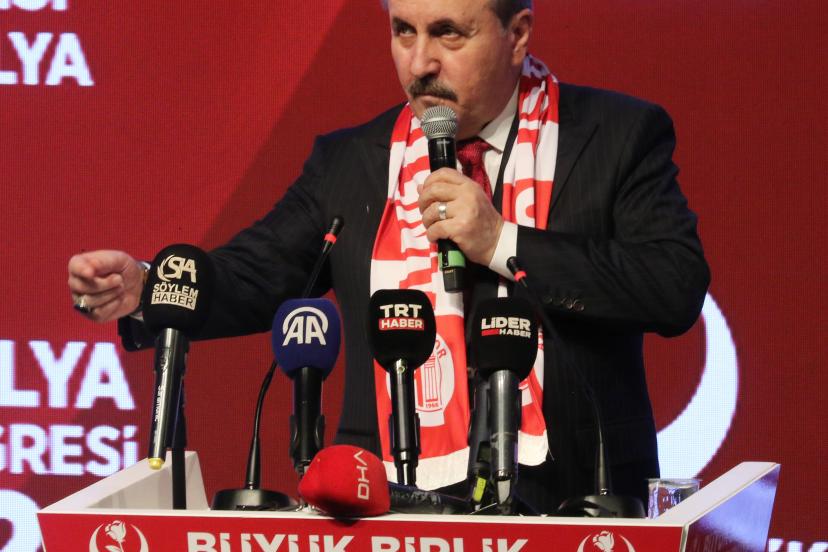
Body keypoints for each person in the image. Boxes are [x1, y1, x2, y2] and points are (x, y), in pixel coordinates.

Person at [67, 0, 709, 513]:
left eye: (448, 33)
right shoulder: (350, 162)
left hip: (574, 500)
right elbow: (256, 272)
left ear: (517, 35)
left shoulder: (616, 135)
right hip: (385, 504)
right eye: (404, 31)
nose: (420, 62)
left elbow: (673, 285)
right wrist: (149, 288)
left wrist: (501, 242)